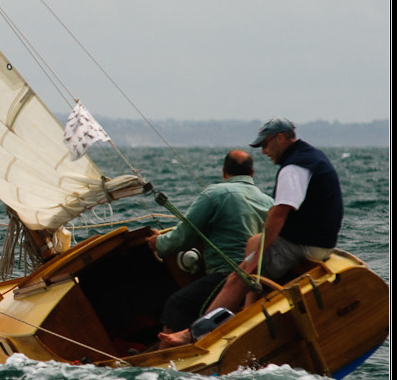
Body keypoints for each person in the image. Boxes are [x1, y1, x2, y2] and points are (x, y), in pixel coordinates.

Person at [158, 117, 343, 347]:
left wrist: (253, 263)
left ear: (279, 138)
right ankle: (247, 314)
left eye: (265, 144)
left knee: (240, 275)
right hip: (321, 241)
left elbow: (279, 214)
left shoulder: (293, 167)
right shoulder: (311, 157)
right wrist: (257, 251)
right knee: (254, 242)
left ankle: (193, 334)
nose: (264, 151)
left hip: (305, 244)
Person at [147, 150, 273, 347]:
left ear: (224, 171)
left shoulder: (215, 194)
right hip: (258, 278)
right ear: (252, 172)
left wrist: (158, 243)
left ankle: (163, 358)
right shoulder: (269, 202)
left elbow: (185, 235)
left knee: (177, 304)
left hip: (227, 275)